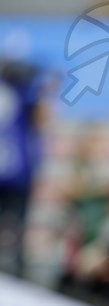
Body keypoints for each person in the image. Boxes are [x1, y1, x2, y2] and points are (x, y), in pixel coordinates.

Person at [0, 58, 48, 277]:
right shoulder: (20, 89)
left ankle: (16, 274)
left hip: (16, 174)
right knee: (15, 233)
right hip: (16, 173)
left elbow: (41, 118)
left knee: (16, 233)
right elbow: (41, 120)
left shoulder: (21, 88)